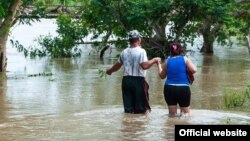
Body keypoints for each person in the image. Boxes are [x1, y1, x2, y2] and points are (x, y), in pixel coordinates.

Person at [106, 30, 161, 114]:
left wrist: (110, 71)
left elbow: (117, 66)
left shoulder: (124, 52)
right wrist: (154, 60)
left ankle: (128, 125)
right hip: (138, 81)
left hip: (126, 81)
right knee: (141, 109)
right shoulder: (141, 51)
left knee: (128, 109)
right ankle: (138, 125)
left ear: (129, 40)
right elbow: (144, 66)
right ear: (139, 39)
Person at [157, 42, 197, 117]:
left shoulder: (167, 61)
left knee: (172, 114)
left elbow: (162, 76)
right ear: (181, 50)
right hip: (183, 88)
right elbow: (194, 70)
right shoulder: (185, 59)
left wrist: (159, 65)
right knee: (186, 114)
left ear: (171, 51)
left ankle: (170, 127)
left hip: (169, 88)